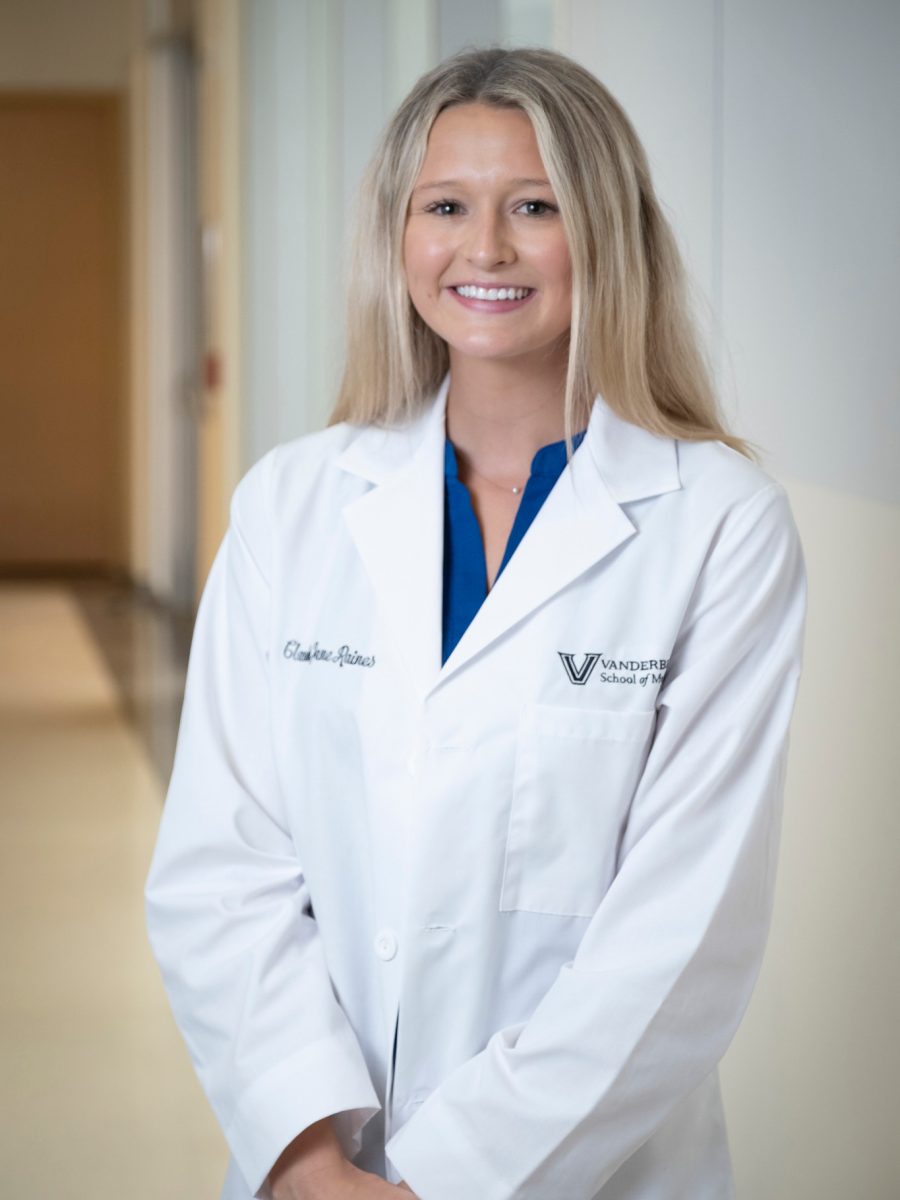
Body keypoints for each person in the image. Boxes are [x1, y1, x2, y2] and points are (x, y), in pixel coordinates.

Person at [145, 45, 807, 1200]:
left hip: (584, 1173)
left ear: (604, 232)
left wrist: (440, 1182)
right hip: (313, 1168)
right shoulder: (293, 505)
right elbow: (221, 865)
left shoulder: (718, 525)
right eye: (445, 206)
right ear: (398, 237)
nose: (485, 248)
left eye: (535, 207)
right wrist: (308, 1156)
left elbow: (679, 937)